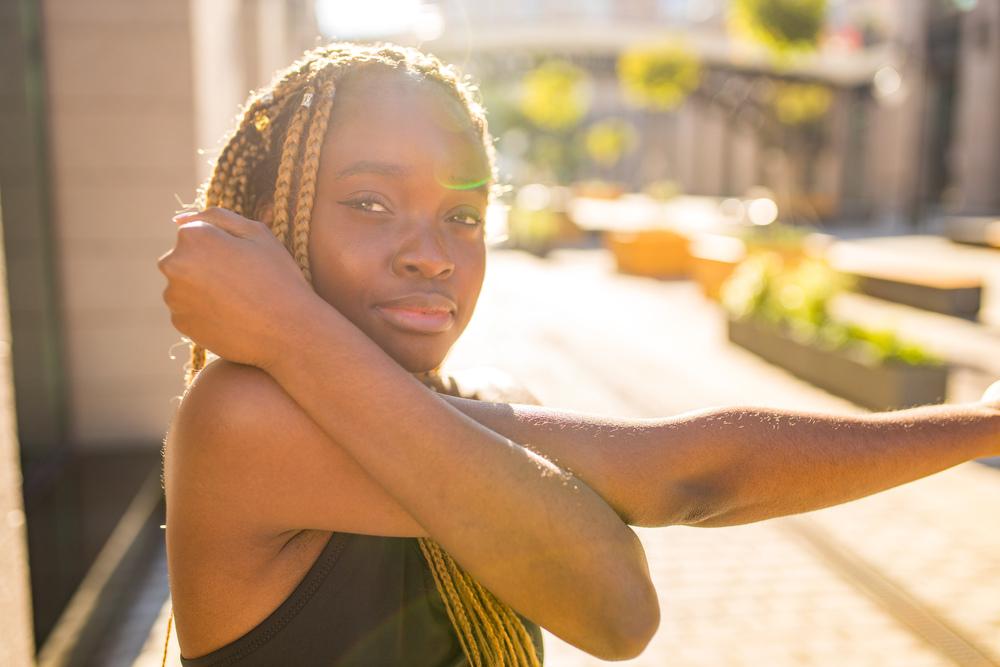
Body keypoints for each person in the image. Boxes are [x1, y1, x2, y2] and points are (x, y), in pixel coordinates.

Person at [158, 42, 1000, 666]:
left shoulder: (486, 391)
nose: (431, 253)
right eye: (371, 201)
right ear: (268, 223)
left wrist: (291, 328)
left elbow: (674, 502)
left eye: (461, 215)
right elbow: (637, 574)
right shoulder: (240, 417)